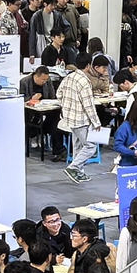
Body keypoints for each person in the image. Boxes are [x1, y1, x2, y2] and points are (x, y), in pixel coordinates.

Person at [57, 53, 101, 184]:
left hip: (69, 118)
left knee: (77, 146)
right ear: (88, 65)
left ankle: (79, 173)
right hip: (81, 120)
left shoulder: (68, 77)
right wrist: (96, 122)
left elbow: (59, 94)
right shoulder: (83, 81)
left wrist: (67, 107)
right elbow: (88, 105)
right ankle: (73, 167)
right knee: (90, 147)